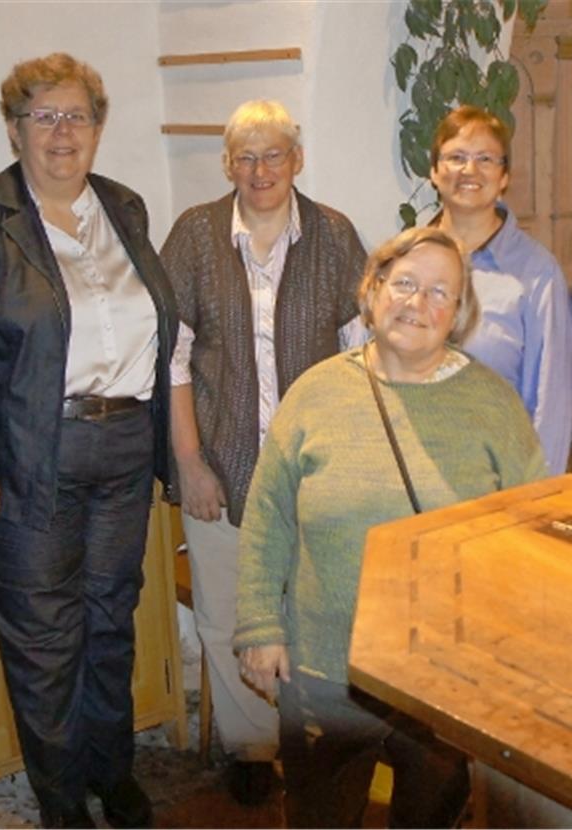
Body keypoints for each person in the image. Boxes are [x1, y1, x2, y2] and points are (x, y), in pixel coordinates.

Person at [0, 53, 177, 829]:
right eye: (45, 116)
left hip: (127, 446)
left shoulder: (124, 207)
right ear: (15, 129)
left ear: (99, 128)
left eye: (78, 116)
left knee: (111, 621)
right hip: (35, 457)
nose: (63, 132)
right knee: (45, 642)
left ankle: (114, 771)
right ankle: (63, 798)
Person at [234, 226, 549, 827]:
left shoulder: (492, 405)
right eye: (404, 283)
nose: (418, 303)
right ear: (373, 289)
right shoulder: (316, 393)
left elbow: (528, 533)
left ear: (459, 314)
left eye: (440, 293)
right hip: (327, 670)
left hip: (443, 678)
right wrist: (259, 625)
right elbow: (268, 512)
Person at [159, 99, 367, 804]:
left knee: (311, 613)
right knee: (224, 614)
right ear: (227, 166)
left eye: (273, 154)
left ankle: (312, 741)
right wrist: (189, 464)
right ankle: (249, 745)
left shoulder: (335, 236)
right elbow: (173, 360)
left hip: (312, 471)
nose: (260, 170)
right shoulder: (194, 236)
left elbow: (362, 356)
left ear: (296, 160)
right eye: (245, 158)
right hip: (219, 459)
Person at [429, 105, 572, 475]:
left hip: (497, 480)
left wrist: (537, 495)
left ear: (505, 176)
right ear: (434, 172)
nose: (469, 170)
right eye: (456, 157)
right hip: (410, 479)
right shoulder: (406, 260)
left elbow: (551, 402)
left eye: (485, 159)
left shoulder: (537, 273)